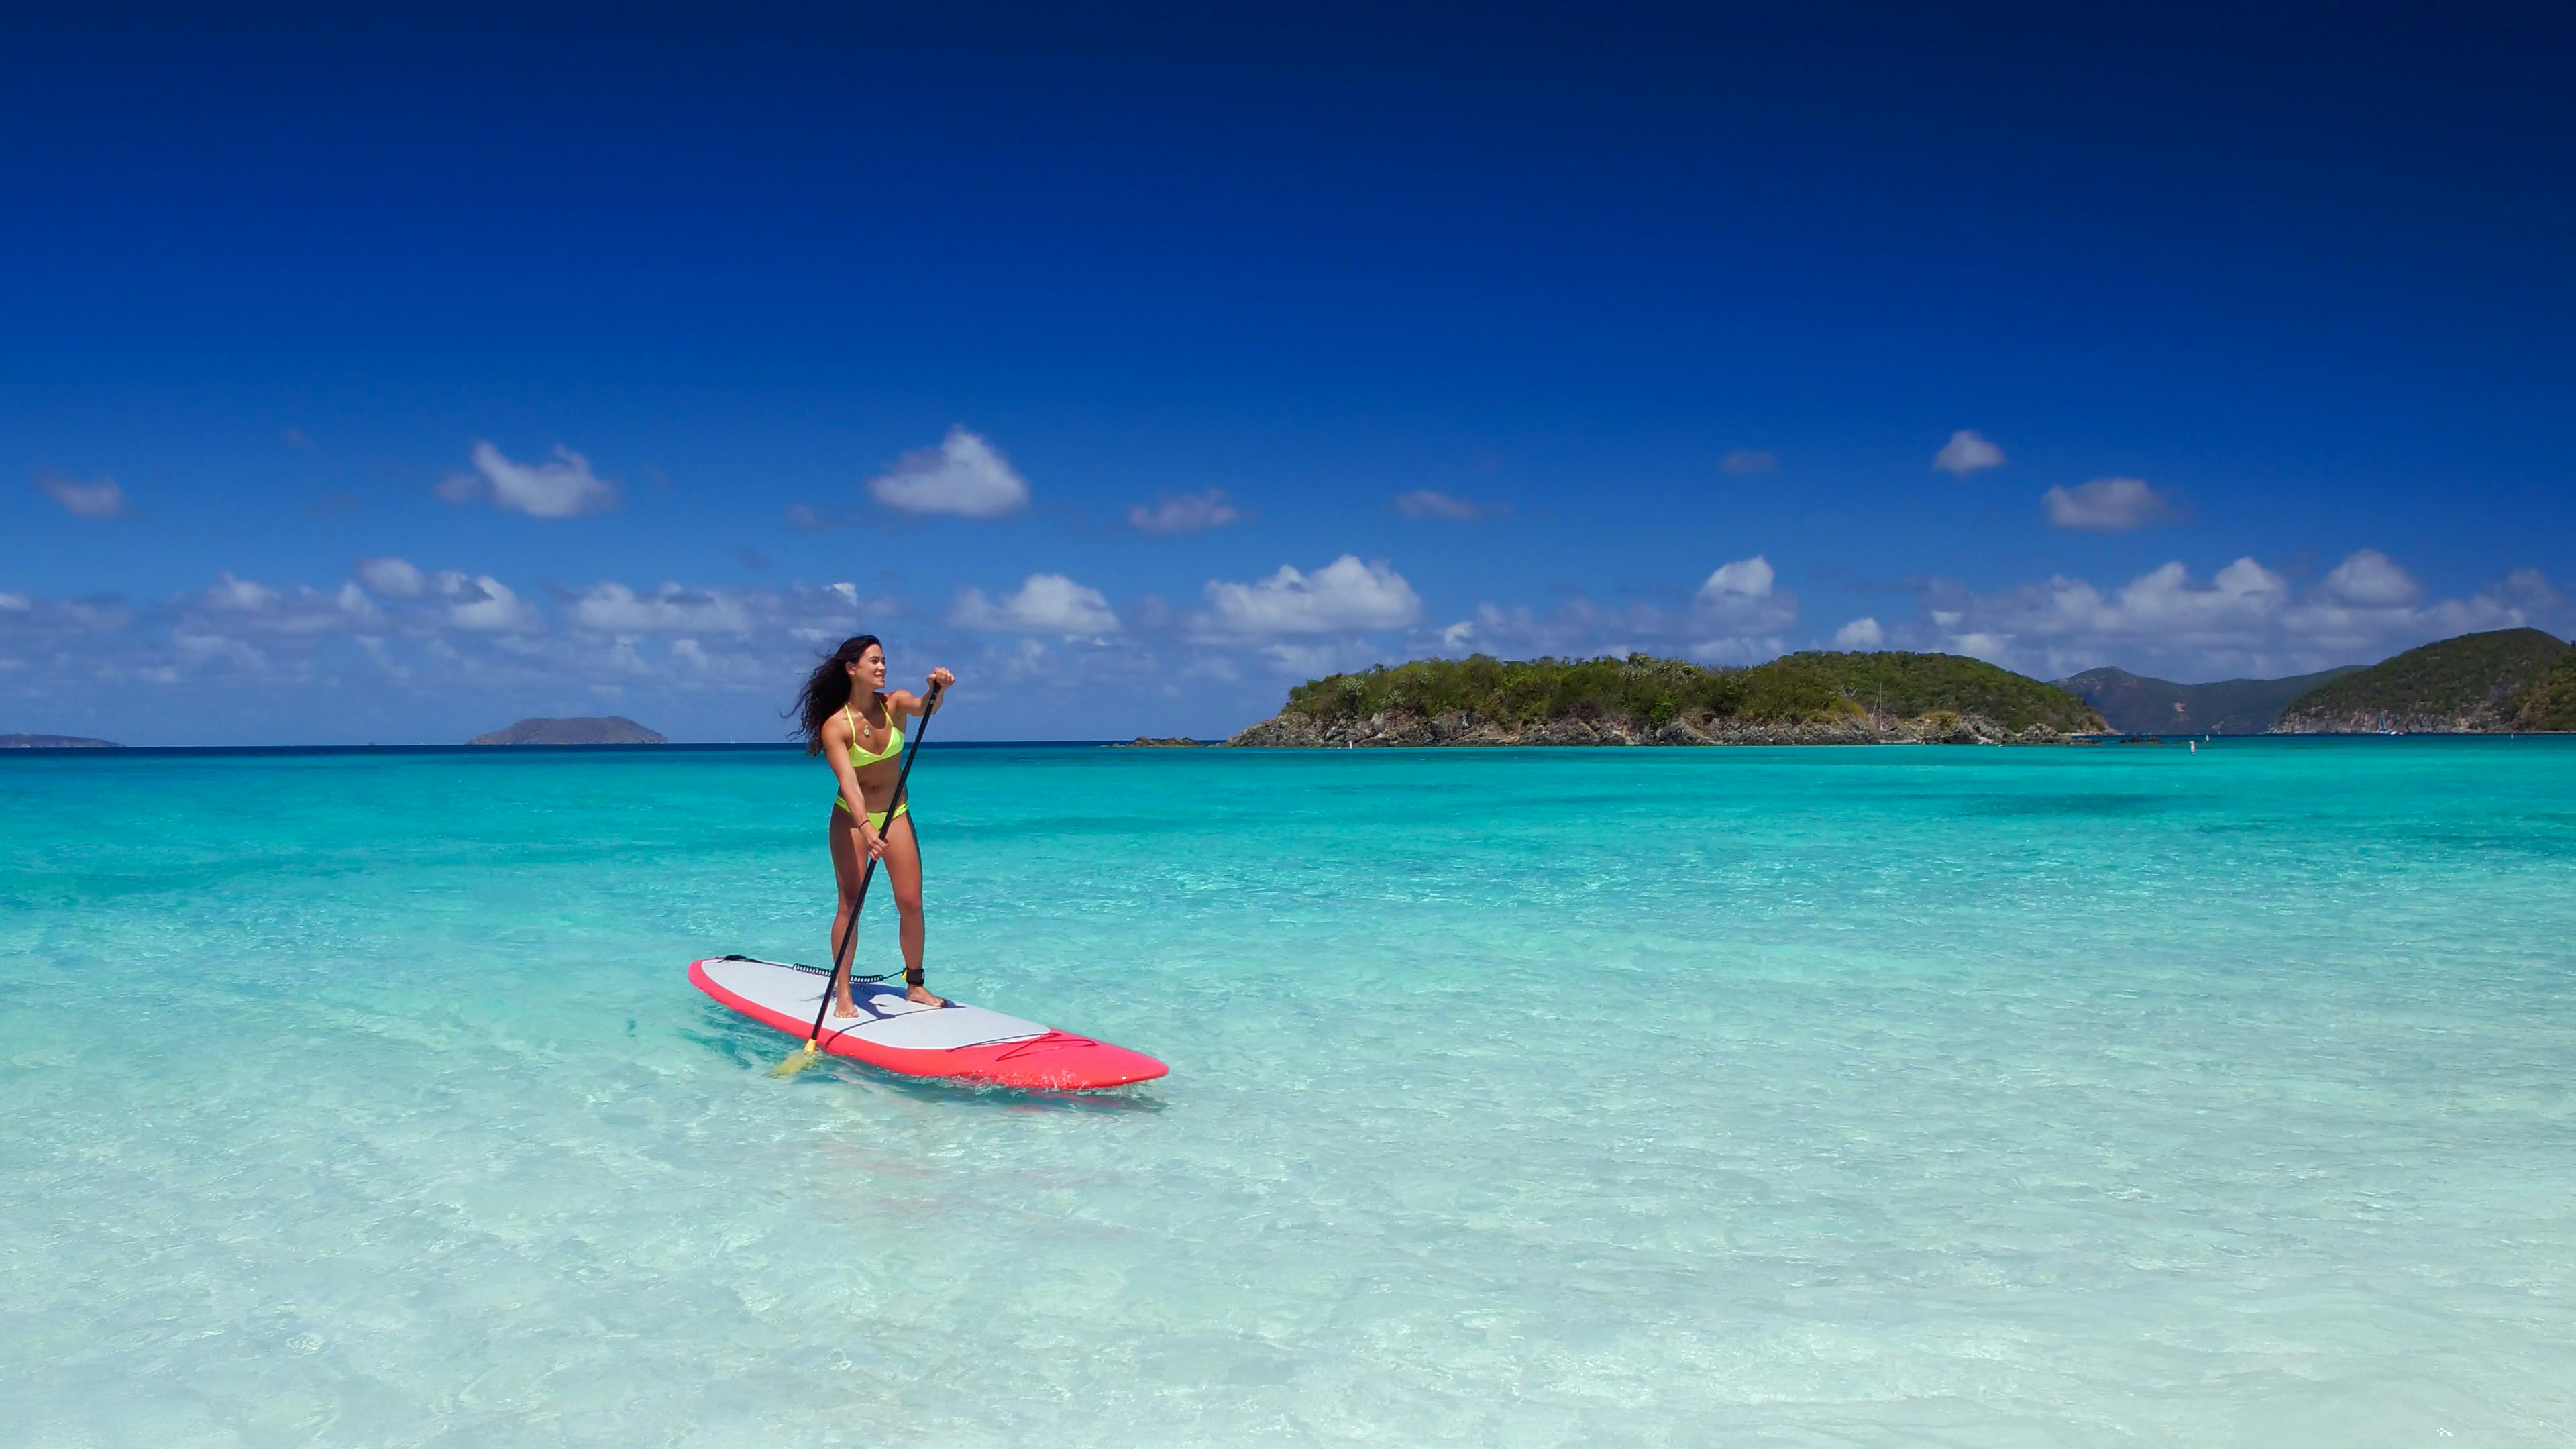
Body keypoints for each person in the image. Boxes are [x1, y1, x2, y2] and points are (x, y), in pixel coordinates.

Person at [792, 635, 954, 1014]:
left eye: (884, 661)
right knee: (851, 903)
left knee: (911, 902)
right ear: (852, 670)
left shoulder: (894, 703)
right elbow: (849, 784)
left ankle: (915, 985)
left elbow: (924, 708)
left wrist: (937, 690)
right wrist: (866, 829)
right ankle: (844, 992)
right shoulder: (837, 726)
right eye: (874, 662)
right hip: (852, 819)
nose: (882, 667)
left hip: (895, 813)